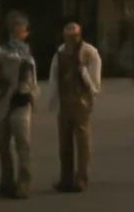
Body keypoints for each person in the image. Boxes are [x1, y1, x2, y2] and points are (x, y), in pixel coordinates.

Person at [0, 11, 39, 199]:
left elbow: (32, 79)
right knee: (3, 145)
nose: (25, 32)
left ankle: (24, 183)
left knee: (22, 143)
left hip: (21, 102)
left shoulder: (26, 52)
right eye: (23, 29)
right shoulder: (2, 52)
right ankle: (7, 181)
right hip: (4, 101)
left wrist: (30, 91)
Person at [47, 22, 102, 193]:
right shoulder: (60, 53)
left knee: (82, 142)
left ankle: (81, 178)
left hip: (80, 101)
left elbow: (94, 81)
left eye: (75, 36)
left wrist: (83, 73)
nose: (72, 40)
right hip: (64, 101)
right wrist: (53, 100)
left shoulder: (89, 52)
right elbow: (54, 77)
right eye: (69, 36)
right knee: (64, 143)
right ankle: (66, 178)